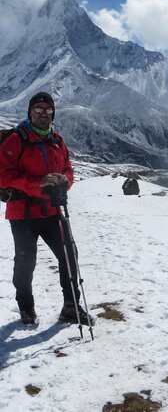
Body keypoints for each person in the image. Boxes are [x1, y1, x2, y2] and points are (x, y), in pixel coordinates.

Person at [0, 92, 90, 325]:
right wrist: (39, 184)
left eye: (47, 110)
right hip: (23, 213)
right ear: (30, 112)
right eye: (38, 109)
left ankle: (71, 306)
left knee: (68, 254)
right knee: (25, 260)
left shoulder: (57, 140)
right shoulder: (16, 139)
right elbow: (3, 175)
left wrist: (63, 184)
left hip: (51, 210)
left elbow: (68, 168)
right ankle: (26, 307)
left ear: (52, 114)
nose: (43, 114)